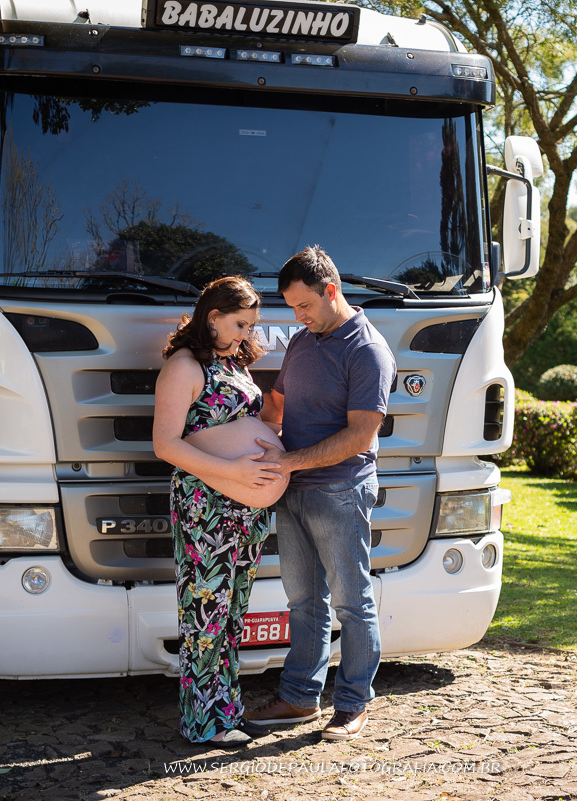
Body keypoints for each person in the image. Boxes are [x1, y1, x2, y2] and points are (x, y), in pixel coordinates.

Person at [246, 245, 397, 741]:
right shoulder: (302, 342)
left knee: (352, 602)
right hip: (293, 491)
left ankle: (353, 704)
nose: (297, 316)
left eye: (304, 306)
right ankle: (299, 699)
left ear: (331, 291)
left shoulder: (368, 350)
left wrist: (288, 459)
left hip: (341, 491)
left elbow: (360, 436)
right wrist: (252, 444)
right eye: (291, 308)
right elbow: (278, 405)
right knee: (304, 601)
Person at [152, 275, 283, 746]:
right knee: (203, 613)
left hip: (244, 509)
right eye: (240, 323)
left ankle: (228, 711)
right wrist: (232, 474)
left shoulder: (233, 364)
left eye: (251, 325)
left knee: (231, 616)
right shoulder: (184, 367)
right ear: (213, 317)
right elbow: (165, 445)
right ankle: (203, 722)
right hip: (205, 506)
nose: (246, 334)